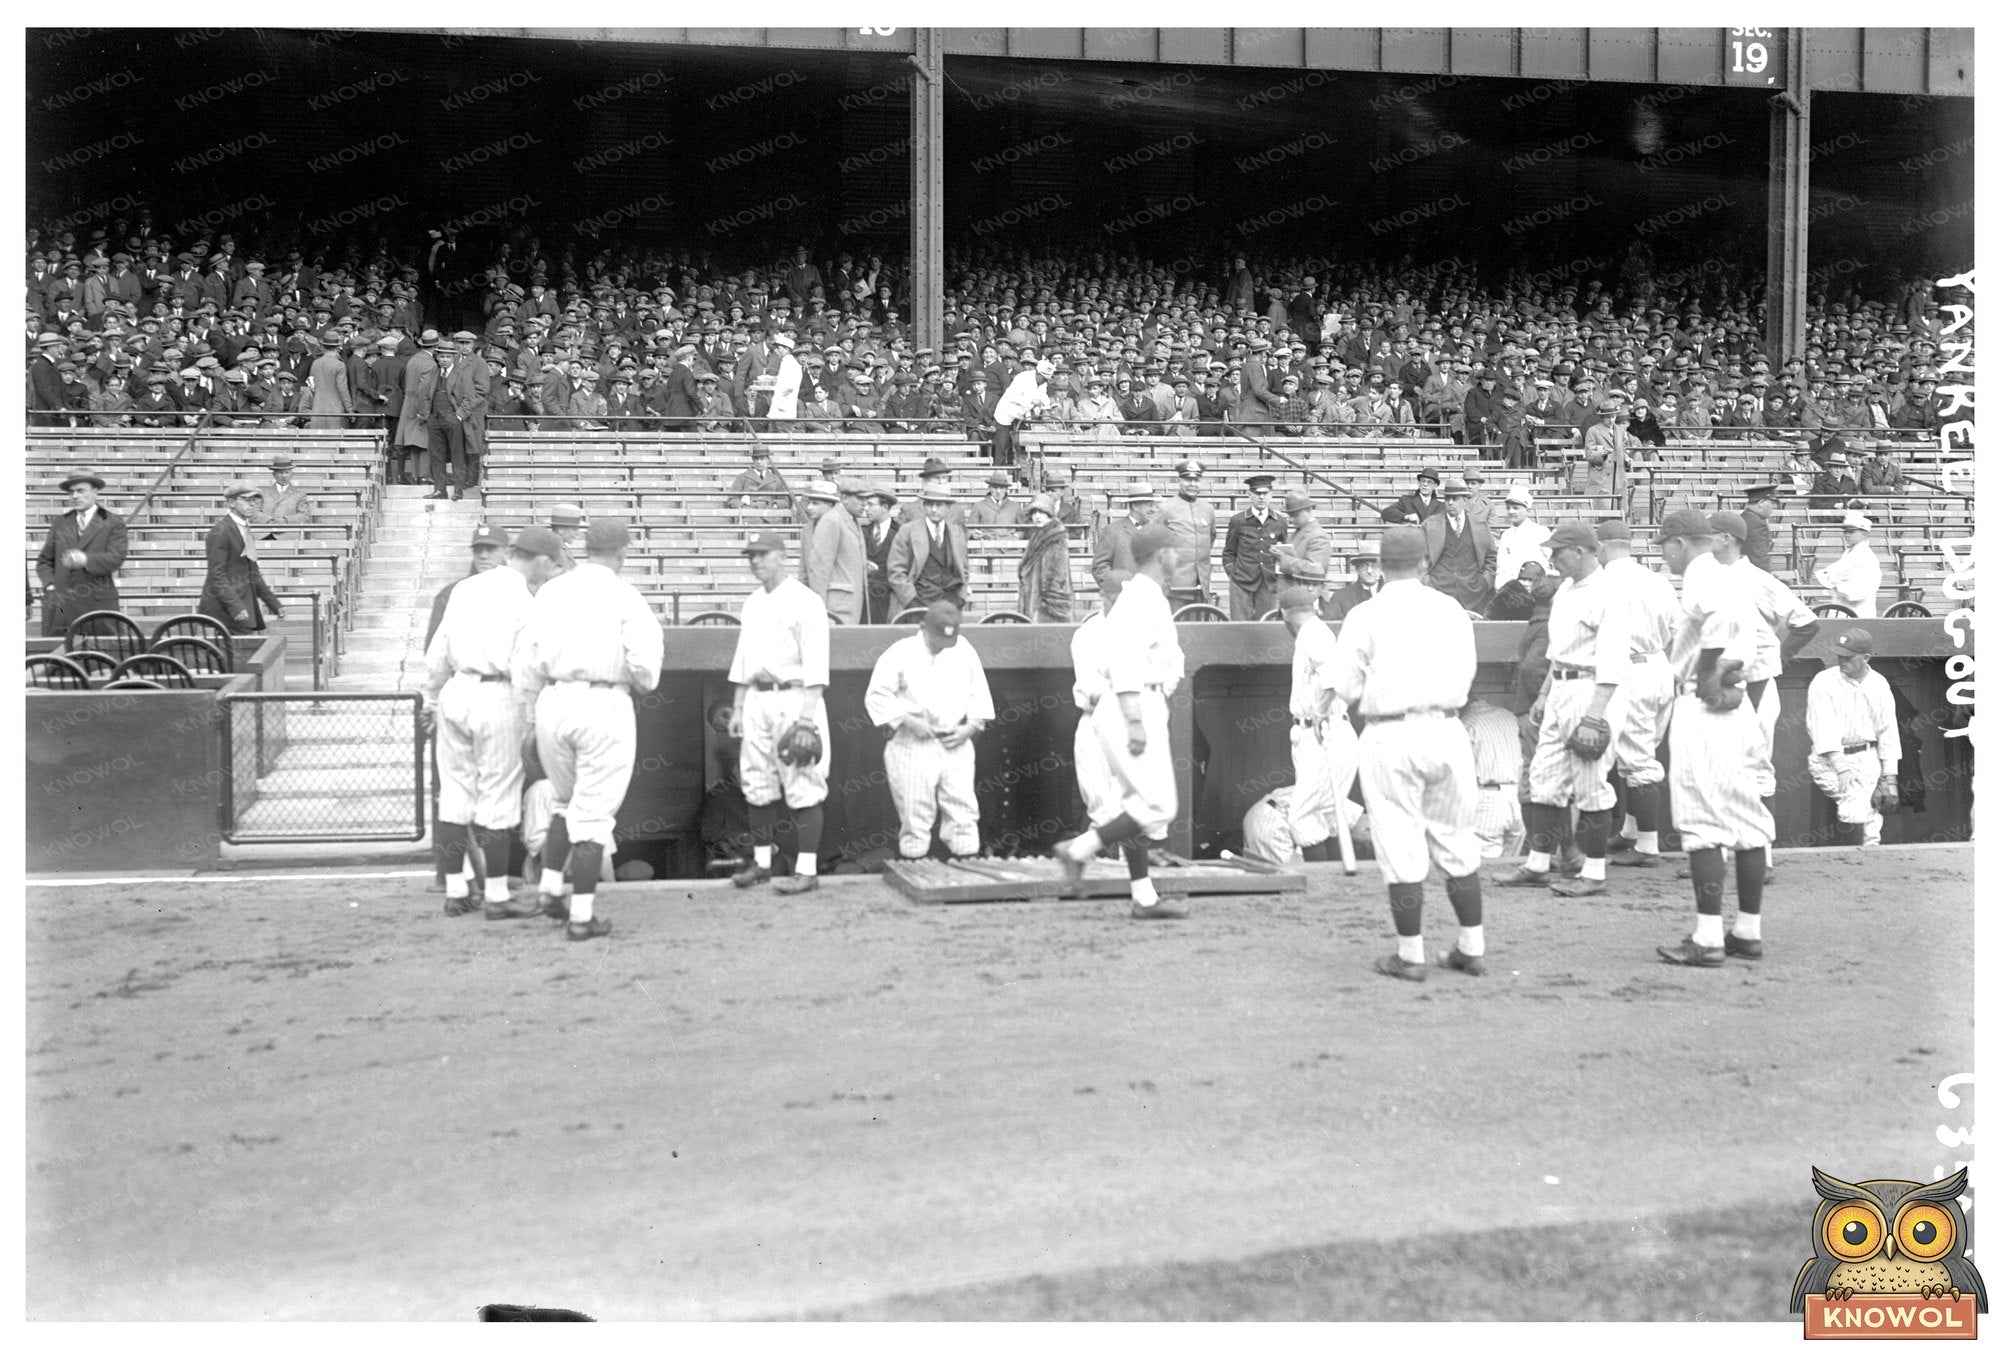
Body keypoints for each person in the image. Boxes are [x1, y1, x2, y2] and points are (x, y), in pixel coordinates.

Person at [1325, 525, 1486, 981]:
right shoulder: (1451, 608)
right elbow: (1469, 671)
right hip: (1447, 728)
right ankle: (1471, 948)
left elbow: (1346, 686)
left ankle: (1411, 955)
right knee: (1457, 839)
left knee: (1400, 843)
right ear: (1423, 563)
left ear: (1380, 565)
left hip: (1390, 732)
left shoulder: (1364, 613)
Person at [511, 519, 666, 940]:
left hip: (552, 701)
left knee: (564, 803)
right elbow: (646, 669)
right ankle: (581, 917)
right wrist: (635, 682)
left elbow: (525, 660)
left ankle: (548, 891)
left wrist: (531, 716)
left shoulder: (552, 591)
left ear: (584, 548)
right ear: (622, 552)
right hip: (602, 702)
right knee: (594, 815)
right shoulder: (625, 595)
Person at [423, 524, 565, 918]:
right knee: (498, 797)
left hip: (456, 689)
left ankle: (456, 892)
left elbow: (437, 652)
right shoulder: (525, 599)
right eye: (551, 562)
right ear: (537, 559)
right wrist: (532, 713)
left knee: (455, 797)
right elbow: (528, 665)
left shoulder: (465, 588)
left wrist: (432, 699)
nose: (552, 569)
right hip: (498, 694)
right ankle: (497, 897)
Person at [1652, 509, 1773, 967]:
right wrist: (1724, 673)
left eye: (1665, 547)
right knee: (1746, 820)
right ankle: (1747, 932)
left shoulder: (1701, 574)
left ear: (1680, 543)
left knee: (1703, 823)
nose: (1665, 556)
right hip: (1737, 707)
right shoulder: (1730, 574)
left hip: (1704, 705)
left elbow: (1719, 626)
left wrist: (1709, 674)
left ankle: (1707, 939)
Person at [1053, 524, 1187, 918]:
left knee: (1138, 804)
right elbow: (1125, 662)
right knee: (1158, 808)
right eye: (1173, 550)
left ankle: (1144, 898)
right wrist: (1134, 720)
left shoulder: (1148, 596)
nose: (1178, 556)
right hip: (1130, 703)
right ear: (1161, 554)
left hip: (1143, 700)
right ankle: (1077, 849)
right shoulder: (1140, 598)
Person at [1496, 522, 1628, 898]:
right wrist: (1543, 697)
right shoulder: (1566, 589)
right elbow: (1557, 653)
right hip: (1561, 687)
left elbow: (1614, 662)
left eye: (1559, 551)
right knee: (1544, 779)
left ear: (1582, 552)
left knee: (1590, 784)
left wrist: (1594, 715)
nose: (1552, 558)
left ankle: (1594, 873)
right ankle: (1538, 865)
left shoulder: (1609, 593)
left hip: (1593, 689)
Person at [1709, 510, 1821, 881]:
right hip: (1721, 683)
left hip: (1755, 684)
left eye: (1711, 533)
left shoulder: (1757, 579)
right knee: (1719, 769)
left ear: (1727, 538)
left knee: (1755, 770)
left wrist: (1776, 658)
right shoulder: (1709, 576)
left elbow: (1807, 623)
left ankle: (1764, 859)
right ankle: (1721, 855)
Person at [725, 531, 832, 894]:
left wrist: (806, 718)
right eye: (750, 555)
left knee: (803, 782)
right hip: (757, 697)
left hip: (795, 696)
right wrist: (738, 706)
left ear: (782, 556)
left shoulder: (806, 601)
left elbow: (817, 665)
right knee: (756, 782)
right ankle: (762, 865)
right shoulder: (753, 601)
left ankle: (806, 871)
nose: (755, 561)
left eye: (763, 554)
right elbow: (743, 661)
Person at [864, 600, 995, 861]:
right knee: (915, 813)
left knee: (963, 810)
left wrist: (970, 728)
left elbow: (979, 693)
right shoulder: (901, 652)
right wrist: (907, 720)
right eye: (937, 638)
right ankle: (915, 867)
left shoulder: (964, 649)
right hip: (913, 742)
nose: (942, 645)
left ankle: (966, 868)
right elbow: (876, 695)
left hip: (955, 739)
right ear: (923, 627)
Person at [1593, 519, 1682, 869]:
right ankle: (1630, 832)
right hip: (1660, 665)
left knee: (1637, 760)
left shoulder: (1602, 581)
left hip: (1629, 670)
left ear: (1602, 546)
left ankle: (1647, 846)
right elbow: (1677, 630)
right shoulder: (1657, 579)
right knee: (1639, 752)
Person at [1280, 585, 1361, 863]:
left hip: (1325, 730)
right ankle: (1338, 880)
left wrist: (1320, 711)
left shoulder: (1313, 633)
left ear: (1284, 614)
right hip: (1325, 731)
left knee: (1302, 816)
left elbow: (1333, 679)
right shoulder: (1313, 631)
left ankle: (1322, 880)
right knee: (1326, 813)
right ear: (1315, 607)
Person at [1805, 628, 1901, 848]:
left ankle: (1867, 860)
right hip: (1829, 759)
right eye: (1840, 655)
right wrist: (1841, 768)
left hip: (1868, 756)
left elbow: (1888, 731)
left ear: (1866, 658)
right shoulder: (1823, 681)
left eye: (1848, 656)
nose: (1841, 659)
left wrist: (1890, 779)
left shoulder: (1879, 683)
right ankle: (1852, 859)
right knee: (1855, 801)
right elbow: (1822, 729)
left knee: (1873, 813)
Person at [36, 468, 128, 637]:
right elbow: (45, 561)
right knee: (59, 652)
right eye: (71, 492)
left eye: (80, 491)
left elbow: (116, 557)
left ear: (95, 492)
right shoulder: (60, 523)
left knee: (101, 652)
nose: (75, 496)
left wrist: (85, 560)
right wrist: (50, 584)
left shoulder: (113, 522)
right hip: (61, 607)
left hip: (98, 605)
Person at [197, 483, 283, 634]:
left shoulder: (244, 529)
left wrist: (274, 604)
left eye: (255, 500)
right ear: (232, 503)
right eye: (246, 500)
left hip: (242, 607)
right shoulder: (220, 531)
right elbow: (217, 574)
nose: (252, 504)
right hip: (227, 610)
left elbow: (253, 573)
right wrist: (235, 606)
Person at [888, 482, 969, 614]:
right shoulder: (907, 531)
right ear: (924, 505)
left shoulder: (956, 533)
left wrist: (960, 598)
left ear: (948, 507)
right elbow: (896, 571)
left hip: (949, 606)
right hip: (918, 604)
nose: (934, 509)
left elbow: (964, 569)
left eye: (939, 505)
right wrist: (910, 601)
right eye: (930, 504)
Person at [1460, 698, 1525, 860]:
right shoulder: (1509, 715)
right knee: (1510, 865)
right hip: (1519, 796)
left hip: (1488, 799)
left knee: (1487, 867)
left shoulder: (1466, 723)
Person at [1420, 477, 1496, 613]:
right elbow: (1419, 559)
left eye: (1455, 499)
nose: (1450, 502)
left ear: (1465, 500)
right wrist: (1427, 583)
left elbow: (1491, 558)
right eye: (1447, 498)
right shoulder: (1429, 525)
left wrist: (1485, 581)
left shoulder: (1480, 525)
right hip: (1438, 594)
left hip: (1474, 595)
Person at [427, 523, 510, 648]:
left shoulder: (520, 592)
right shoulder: (451, 594)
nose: (483, 556)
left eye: (490, 549)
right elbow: (433, 649)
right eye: (478, 550)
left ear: (505, 552)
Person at [1152, 458, 1218, 608]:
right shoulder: (1165, 509)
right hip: (1175, 587)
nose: (1192, 484)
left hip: (1201, 585)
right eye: (1188, 479)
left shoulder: (1207, 509)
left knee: (1199, 622)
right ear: (1179, 481)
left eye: (1196, 480)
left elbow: (1210, 538)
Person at [1220, 472, 1286, 620]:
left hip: (1268, 584)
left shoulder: (1280, 522)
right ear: (1250, 495)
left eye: (1265, 493)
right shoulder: (1238, 521)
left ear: (1271, 495)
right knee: (1240, 627)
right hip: (1242, 583)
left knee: (1266, 626)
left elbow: (1283, 552)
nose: (1261, 497)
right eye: (1257, 493)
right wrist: (1234, 574)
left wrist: (1277, 577)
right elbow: (1229, 553)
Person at [800, 480, 866, 627]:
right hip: (833, 608)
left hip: (843, 605)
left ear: (830, 505)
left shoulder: (845, 521)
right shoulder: (820, 526)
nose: (809, 508)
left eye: (815, 503)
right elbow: (814, 571)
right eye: (810, 502)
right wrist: (817, 609)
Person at [1815, 510, 1883, 617]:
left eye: (1852, 532)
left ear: (1863, 533)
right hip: (1843, 607)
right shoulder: (1850, 552)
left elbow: (1863, 589)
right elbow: (1829, 575)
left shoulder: (1864, 554)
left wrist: (1839, 586)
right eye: (1845, 532)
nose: (1847, 535)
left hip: (1858, 609)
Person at [1016, 493, 1073, 622]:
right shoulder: (1038, 535)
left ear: (1049, 514)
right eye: (1034, 512)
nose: (1037, 516)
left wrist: (1046, 610)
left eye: (1041, 512)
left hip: (1048, 609)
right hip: (1034, 602)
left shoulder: (1055, 538)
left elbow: (1057, 577)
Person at [1091, 482, 1156, 589]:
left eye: (1153, 505)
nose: (1153, 509)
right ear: (1135, 506)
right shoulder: (1113, 531)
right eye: (1149, 505)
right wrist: (1119, 587)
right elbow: (1099, 567)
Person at [992, 356, 1054, 469]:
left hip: (1023, 415)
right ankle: (999, 470)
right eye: (1043, 378)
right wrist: (1031, 401)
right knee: (1002, 445)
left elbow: (1042, 395)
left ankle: (1023, 473)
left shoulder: (1043, 382)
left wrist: (1047, 405)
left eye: (1046, 379)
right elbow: (1012, 396)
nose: (1045, 381)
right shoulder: (1022, 378)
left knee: (1025, 444)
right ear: (1038, 373)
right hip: (1006, 413)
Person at [1493, 483, 1553, 588]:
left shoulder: (1541, 532)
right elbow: (1501, 568)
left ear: (1527, 510)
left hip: (1536, 588)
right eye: (1508, 508)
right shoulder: (1506, 535)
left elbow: (1551, 562)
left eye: (1515, 508)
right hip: (1512, 589)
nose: (1511, 511)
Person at [859, 484, 900, 623]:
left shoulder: (900, 534)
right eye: (865, 505)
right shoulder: (862, 532)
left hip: (889, 600)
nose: (866, 509)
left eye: (871, 505)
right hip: (864, 601)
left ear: (885, 507)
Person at [246, 456, 313, 537]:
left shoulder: (299, 495)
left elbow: (305, 517)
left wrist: (284, 521)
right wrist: (269, 522)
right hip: (265, 536)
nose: (284, 476)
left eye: (286, 472)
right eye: (280, 473)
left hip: (288, 536)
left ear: (291, 474)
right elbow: (253, 513)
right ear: (274, 475)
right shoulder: (263, 494)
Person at [1322, 539, 1382, 621]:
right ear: (1357, 569)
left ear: (1382, 569)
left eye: (1375, 566)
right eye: (1365, 566)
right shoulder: (1341, 597)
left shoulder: (1392, 595)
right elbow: (1331, 624)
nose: (1369, 571)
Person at [725, 444, 792, 511]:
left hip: (770, 513)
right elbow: (732, 500)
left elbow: (784, 500)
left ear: (768, 459)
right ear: (752, 460)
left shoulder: (775, 480)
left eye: (762, 458)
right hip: (749, 513)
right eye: (756, 458)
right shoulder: (742, 478)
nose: (759, 462)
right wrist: (744, 506)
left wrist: (775, 505)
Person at [1740, 482, 1784, 572]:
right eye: (1772, 503)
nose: (1773, 507)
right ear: (1761, 503)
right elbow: (1759, 558)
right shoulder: (1757, 524)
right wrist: (1768, 577)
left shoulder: (1743, 518)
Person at [1379, 465, 1443, 525]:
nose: (1425, 484)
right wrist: (1406, 516)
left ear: (1435, 486)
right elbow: (1386, 513)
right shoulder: (1406, 501)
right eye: (1423, 481)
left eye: (1429, 482)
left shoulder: (1441, 506)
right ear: (1418, 483)